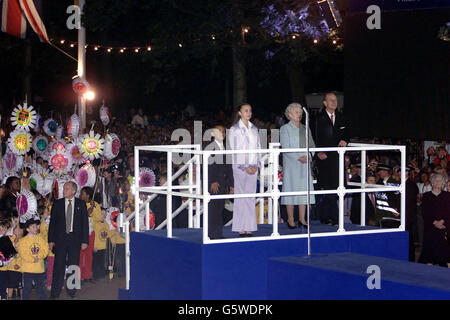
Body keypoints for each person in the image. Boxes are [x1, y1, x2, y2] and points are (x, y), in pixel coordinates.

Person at [48, 181, 89, 299]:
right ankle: (55, 293)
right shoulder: (57, 204)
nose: (63, 190)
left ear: (73, 191)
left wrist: (85, 241)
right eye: (64, 188)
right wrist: (51, 240)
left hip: (75, 239)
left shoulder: (81, 204)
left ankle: (72, 292)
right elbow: (52, 223)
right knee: (58, 266)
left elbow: (85, 224)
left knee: (73, 266)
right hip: (60, 239)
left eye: (66, 189)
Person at [312, 92, 348, 226]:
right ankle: (334, 216)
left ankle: (327, 216)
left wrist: (345, 140)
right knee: (327, 187)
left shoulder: (342, 117)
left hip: (337, 158)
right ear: (325, 103)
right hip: (324, 157)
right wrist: (318, 152)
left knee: (337, 187)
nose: (334, 102)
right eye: (330, 100)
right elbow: (314, 137)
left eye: (335, 100)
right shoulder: (318, 118)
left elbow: (347, 133)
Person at [280, 103, 316, 229]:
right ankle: (290, 219)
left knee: (303, 190)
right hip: (291, 164)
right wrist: (297, 157)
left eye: (300, 112)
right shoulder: (284, 129)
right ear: (289, 115)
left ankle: (302, 218)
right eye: (296, 112)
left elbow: (312, 145)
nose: (299, 114)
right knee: (290, 190)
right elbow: (285, 146)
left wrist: (309, 156)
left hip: (305, 163)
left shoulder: (305, 128)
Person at [229, 103, 261, 237]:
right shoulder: (234, 129)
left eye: (250, 110)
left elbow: (258, 148)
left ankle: (249, 226)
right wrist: (245, 166)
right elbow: (234, 150)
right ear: (240, 113)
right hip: (240, 167)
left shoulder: (254, 129)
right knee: (241, 196)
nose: (249, 113)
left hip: (253, 167)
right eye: (246, 110)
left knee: (250, 196)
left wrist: (256, 165)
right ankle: (240, 227)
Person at [204, 125, 234, 239]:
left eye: (223, 131)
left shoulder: (226, 148)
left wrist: (232, 185)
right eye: (218, 131)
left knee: (220, 208)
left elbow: (229, 167)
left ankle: (218, 232)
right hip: (214, 183)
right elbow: (208, 166)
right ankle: (212, 233)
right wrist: (213, 181)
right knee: (213, 209)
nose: (221, 133)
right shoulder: (208, 147)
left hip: (224, 183)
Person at [418, 174, 450, 267]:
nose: (438, 182)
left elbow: (448, 211)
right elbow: (425, 212)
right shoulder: (426, 196)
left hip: (443, 227)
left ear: (443, 183)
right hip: (430, 228)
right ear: (432, 182)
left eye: (440, 181)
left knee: (444, 253)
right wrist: (434, 222)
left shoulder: (447, 196)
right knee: (429, 255)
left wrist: (442, 221)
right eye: (436, 180)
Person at [18, 218, 49, 300]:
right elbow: (23, 253)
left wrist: (39, 256)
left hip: (39, 269)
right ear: (28, 229)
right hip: (28, 269)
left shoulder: (40, 238)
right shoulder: (23, 241)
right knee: (27, 289)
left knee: (40, 289)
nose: (36, 228)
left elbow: (45, 249)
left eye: (36, 226)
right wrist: (32, 259)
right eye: (33, 227)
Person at [79, 187, 101, 284]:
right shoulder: (79, 204)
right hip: (81, 232)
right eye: (81, 193)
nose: (81, 195)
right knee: (79, 255)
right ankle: (79, 277)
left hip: (91, 232)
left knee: (89, 255)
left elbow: (99, 218)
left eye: (83, 194)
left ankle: (87, 276)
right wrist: (87, 213)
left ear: (88, 195)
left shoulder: (94, 204)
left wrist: (94, 209)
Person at [92, 208, 111, 281]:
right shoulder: (95, 223)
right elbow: (94, 235)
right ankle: (95, 277)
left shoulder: (106, 224)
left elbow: (108, 235)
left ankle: (101, 276)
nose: (104, 216)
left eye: (105, 214)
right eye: (102, 214)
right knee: (95, 263)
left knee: (101, 262)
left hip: (103, 247)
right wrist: (94, 246)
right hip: (96, 247)